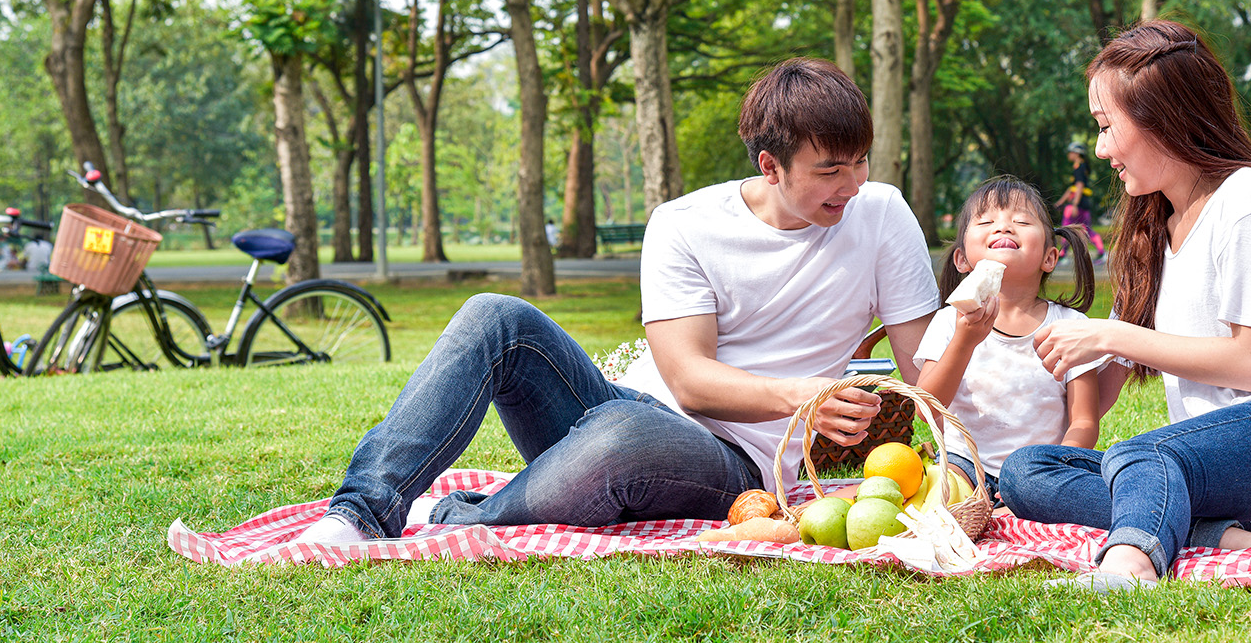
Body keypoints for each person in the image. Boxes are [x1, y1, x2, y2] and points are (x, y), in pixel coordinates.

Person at [293, 57, 940, 545]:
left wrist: (963, 330)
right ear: (771, 165)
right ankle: (358, 515)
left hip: (736, 461)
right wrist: (805, 395)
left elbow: (923, 378)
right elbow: (690, 382)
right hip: (627, 411)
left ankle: (458, 514)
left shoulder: (880, 214)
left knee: (621, 434)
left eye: (860, 161)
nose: (853, 183)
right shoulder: (685, 222)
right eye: (830, 169)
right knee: (496, 317)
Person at [999, 19, 1251, 591]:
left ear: (1165, 120)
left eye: (1107, 127)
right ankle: (1246, 539)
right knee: (1026, 473)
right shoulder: (1157, 225)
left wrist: (1111, 335)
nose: (1102, 148)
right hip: (1225, 465)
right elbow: (1106, 386)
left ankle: (1129, 564)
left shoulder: (1247, 199)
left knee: (1144, 457)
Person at [914, 175, 1100, 502]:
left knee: (1045, 485)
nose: (1003, 227)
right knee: (933, 492)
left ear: (1049, 258)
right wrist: (964, 341)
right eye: (986, 221)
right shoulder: (948, 322)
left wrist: (1058, 463)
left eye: (1021, 221)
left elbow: (1084, 420)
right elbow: (925, 407)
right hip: (963, 464)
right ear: (961, 260)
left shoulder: (1072, 328)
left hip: (1037, 470)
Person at [1054, 142, 1106, 264]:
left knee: (1066, 228)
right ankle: (1101, 253)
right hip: (1084, 203)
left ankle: (1062, 255)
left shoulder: (1079, 168)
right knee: (1086, 229)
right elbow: (1072, 188)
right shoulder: (1080, 168)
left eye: (1070, 152)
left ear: (1077, 153)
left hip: (1077, 204)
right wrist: (1060, 202)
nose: (1069, 154)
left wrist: (1074, 205)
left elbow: (1079, 186)